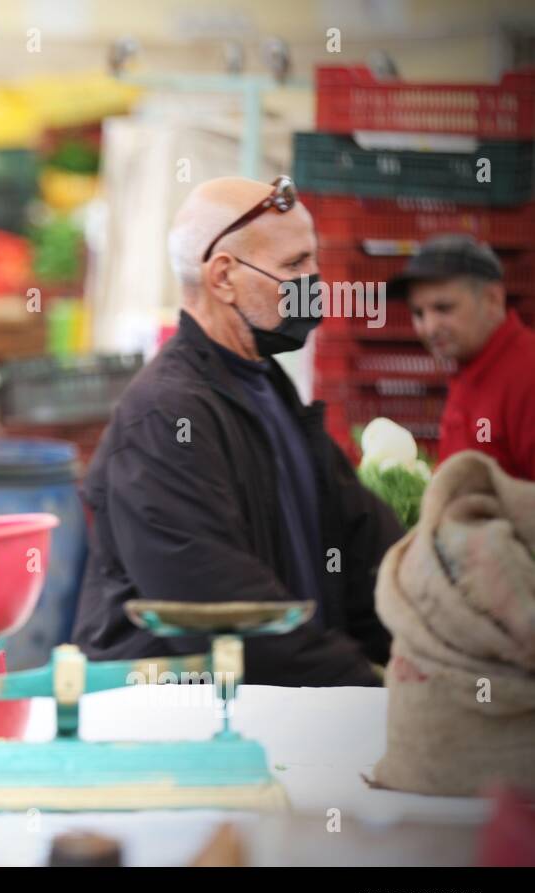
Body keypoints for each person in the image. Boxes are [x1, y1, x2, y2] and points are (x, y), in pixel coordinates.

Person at [71, 176, 402, 687]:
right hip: (183, 729)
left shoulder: (268, 387)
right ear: (223, 276)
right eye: (294, 265)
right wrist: (360, 684)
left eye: (313, 261)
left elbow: (360, 547)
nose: (315, 280)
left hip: (279, 707)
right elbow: (219, 608)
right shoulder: (166, 416)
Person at [389, 233, 535, 481]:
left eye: (443, 308)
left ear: (492, 300)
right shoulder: (469, 365)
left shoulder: (527, 375)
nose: (430, 327)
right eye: (419, 313)